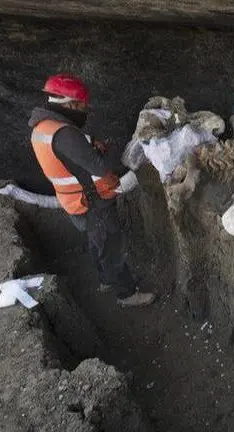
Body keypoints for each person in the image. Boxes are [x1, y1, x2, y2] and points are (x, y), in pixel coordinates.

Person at [28, 74, 155, 307]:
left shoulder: (44, 127)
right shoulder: (66, 135)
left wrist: (88, 139)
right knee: (111, 244)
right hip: (92, 201)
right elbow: (99, 167)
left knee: (97, 241)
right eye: (81, 106)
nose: (84, 110)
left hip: (73, 202)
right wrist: (125, 181)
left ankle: (107, 280)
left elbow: (65, 145)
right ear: (69, 104)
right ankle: (126, 294)